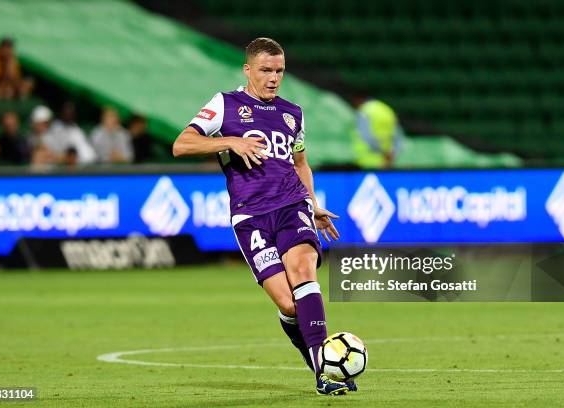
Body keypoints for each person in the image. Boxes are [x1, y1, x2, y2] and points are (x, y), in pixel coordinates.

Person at [173, 38, 350, 396]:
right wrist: (229, 142)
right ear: (248, 70)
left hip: (291, 205)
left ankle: (324, 372)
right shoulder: (225, 105)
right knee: (288, 304)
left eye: (279, 71)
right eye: (266, 70)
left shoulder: (292, 113)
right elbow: (182, 144)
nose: (273, 78)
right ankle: (314, 354)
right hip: (250, 217)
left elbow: (300, 163)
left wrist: (313, 205)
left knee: (304, 270)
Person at [351, 98, 404, 168]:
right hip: (386, 161)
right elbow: (398, 137)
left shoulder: (365, 111)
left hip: (365, 160)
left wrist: (382, 152)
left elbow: (365, 136)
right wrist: (392, 155)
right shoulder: (388, 110)